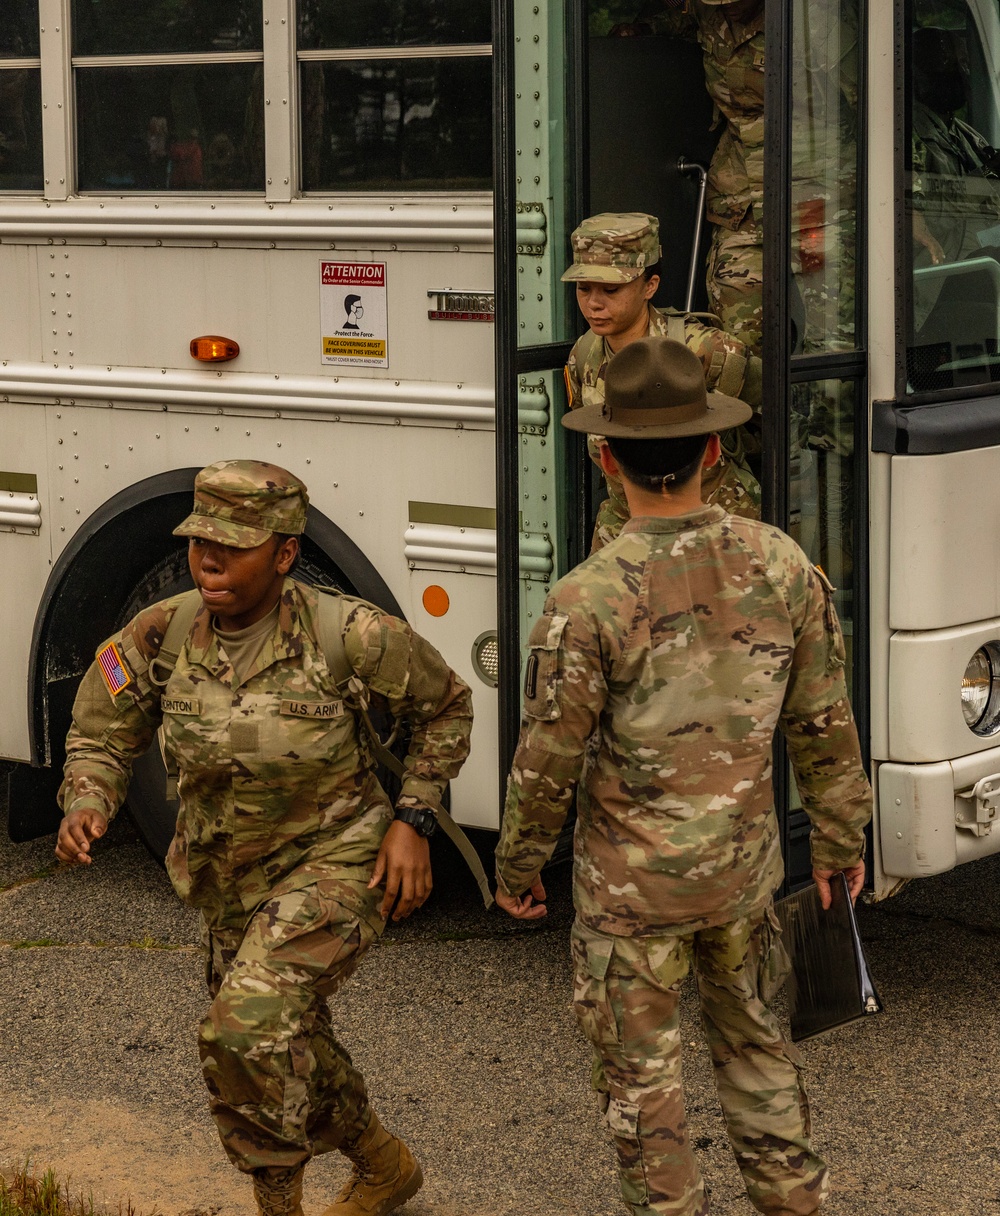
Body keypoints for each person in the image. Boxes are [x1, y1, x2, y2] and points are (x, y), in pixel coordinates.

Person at [495, 337, 872, 1216]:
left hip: (631, 898)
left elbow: (546, 759)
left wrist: (517, 869)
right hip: (744, 878)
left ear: (602, 455)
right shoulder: (783, 563)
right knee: (760, 1054)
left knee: (644, 1090)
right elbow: (825, 723)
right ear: (712, 449)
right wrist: (840, 843)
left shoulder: (586, 598)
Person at [55, 460, 473, 1216]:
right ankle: (384, 1166)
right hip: (229, 883)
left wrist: (414, 819)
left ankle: (278, 1205)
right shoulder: (163, 632)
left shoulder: (350, 633)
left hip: (337, 862)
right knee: (286, 1044)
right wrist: (88, 800)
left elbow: (447, 707)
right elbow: (99, 731)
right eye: (198, 543)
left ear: (284, 554)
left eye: (234, 546)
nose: (210, 562)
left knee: (242, 1030)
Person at [563, 211, 762, 550]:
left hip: (715, 524)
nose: (594, 303)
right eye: (584, 289)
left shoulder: (704, 351)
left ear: (650, 286)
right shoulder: (584, 355)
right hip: (627, 524)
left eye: (611, 289)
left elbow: (773, 417)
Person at [613, 1, 765, 353]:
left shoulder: (812, 22)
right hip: (739, 191)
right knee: (736, 318)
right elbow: (675, 18)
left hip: (812, 185)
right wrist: (643, 30)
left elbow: (861, 108)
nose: (731, 9)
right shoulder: (707, 14)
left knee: (829, 327)